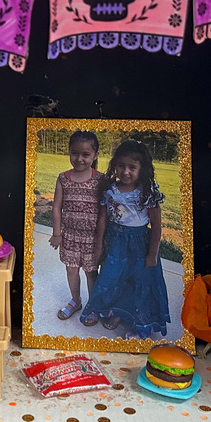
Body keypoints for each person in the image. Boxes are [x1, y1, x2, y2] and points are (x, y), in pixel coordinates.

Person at [81, 139, 170, 338]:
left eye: (132, 167)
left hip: (140, 245)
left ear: (142, 169)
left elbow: (156, 226)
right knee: (113, 278)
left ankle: (138, 322)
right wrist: (98, 247)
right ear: (114, 165)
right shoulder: (110, 189)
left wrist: (152, 254)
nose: (125, 172)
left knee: (137, 281)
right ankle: (116, 312)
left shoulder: (147, 192)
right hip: (115, 242)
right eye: (121, 166)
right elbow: (103, 220)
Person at [49, 131, 104, 325]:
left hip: (93, 238)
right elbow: (56, 206)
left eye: (86, 155)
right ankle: (76, 301)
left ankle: (93, 306)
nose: (79, 159)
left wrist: (103, 238)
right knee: (71, 270)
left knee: (91, 272)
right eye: (74, 153)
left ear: (95, 155)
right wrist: (57, 233)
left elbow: (106, 210)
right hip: (69, 235)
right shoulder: (63, 178)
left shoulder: (100, 179)